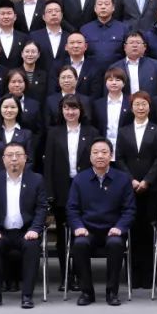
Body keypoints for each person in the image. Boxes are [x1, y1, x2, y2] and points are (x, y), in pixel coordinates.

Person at [67, 138, 137, 306]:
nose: (100, 156)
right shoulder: (79, 179)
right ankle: (86, 292)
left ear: (111, 155)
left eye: (104, 152)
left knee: (115, 244)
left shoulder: (122, 179)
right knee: (80, 244)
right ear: (90, 156)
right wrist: (78, 227)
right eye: (96, 152)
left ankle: (112, 292)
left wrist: (120, 227)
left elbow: (129, 210)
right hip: (87, 229)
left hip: (113, 230)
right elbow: (72, 209)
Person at [0, 142, 47, 309]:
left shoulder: (36, 180)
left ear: (25, 158)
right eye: (10, 155)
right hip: (1, 231)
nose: (14, 159)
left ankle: (27, 295)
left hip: (26, 231)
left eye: (18, 155)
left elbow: (41, 208)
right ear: (3, 159)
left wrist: (35, 229)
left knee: (32, 246)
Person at [43, 95, 99, 289]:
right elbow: (48, 165)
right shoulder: (54, 133)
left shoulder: (92, 132)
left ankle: (80, 275)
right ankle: (66, 276)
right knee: (62, 234)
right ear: (61, 111)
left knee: (81, 233)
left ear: (81, 110)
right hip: (62, 188)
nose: (70, 112)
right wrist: (49, 191)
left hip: (85, 187)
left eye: (74, 108)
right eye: (66, 108)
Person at [115, 91, 157, 289]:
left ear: (149, 107)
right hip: (130, 188)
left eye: (144, 104)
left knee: (149, 231)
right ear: (131, 107)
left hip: (151, 188)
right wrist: (132, 180)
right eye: (137, 104)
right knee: (133, 230)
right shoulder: (123, 131)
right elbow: (119, 158)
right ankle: (133, 276)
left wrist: (147, 181)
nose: (141, 107)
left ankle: (148, 276)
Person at [0, 94, 35, 173]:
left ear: (18, 109)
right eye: (5, 107)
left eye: (13, 107)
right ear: (0, 109)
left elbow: (29, 161)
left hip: (20, 178)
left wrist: (18, 177)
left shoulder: (27, 134)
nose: (9, 110)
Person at [109, 31, 157, 96]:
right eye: (131, 43)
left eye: (138, 43)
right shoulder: (115, 68)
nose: (134, 45)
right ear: (125, 47)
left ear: (145, 47)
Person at [81, 0, 128, 68]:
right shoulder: (85, 29)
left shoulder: (123, 28)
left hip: (117, 72)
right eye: (100, 4)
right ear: (95, 8)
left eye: (107, 4)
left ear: (113, 8)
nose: (103, 7)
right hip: (91, 72)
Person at [93, 68, 133, 149]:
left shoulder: (130, 102)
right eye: (110, 80)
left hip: (126, 146)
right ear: (105, 83)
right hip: (103, 147)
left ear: (124, 83)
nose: (114, 83)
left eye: (118, 80)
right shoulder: (98, 104)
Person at [0, 0, 29, 69]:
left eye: (9, 13)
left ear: (15, 17)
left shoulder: (24, 38)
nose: (6, 16)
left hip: (18, 74)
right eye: (2, 13)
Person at [30, 0, 70, 72]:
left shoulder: (69, 37)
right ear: (43, 17)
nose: (54, 14)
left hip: (65, 77)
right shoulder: (34, 36)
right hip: (41, 77)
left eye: (57, 11)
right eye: (49, 11)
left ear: (61, 15)